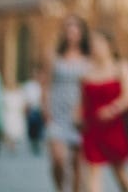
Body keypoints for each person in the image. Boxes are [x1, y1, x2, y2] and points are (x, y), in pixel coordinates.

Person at [80, 30, 128, 192]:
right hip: (92, 125)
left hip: (115, 125)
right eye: (92, 44)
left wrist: (112, 109)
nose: (95, 47)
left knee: (119, 171)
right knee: (93, 169)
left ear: (109, 46)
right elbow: (82, 99)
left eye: (99, 43)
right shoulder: (87, 71)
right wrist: (78, 118)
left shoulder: (122, 67)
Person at [45, 15, 91, 192]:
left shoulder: (89, 57)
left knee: (78, 163)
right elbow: (46, 84)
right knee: (58, 159)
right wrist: (46, 110)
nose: (71, 32)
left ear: (81, 32)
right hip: (57, 112)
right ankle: (59, 189)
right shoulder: (54, 55)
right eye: (67, 28)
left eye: (75, 28)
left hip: (79, 113)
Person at [23, 70, 45, 155]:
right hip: (31, 109)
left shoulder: (39, 85)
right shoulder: (28, 85)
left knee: (38, 127)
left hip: (38, 109)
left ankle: (37, 142)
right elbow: (25, 97)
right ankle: (33, 142)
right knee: (31, 127)